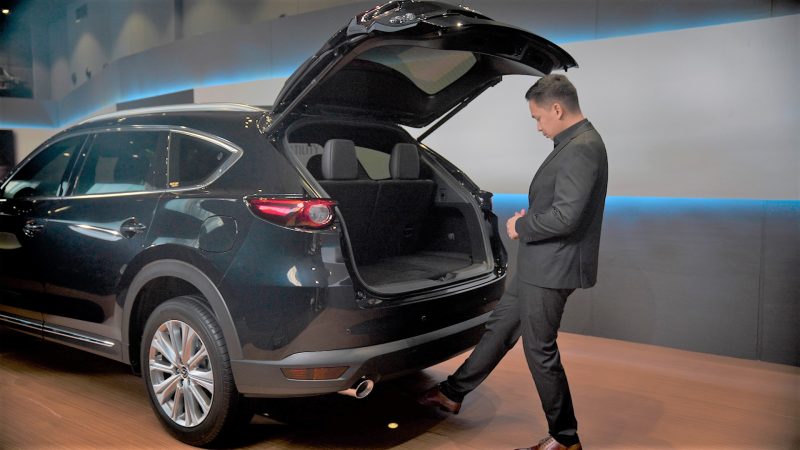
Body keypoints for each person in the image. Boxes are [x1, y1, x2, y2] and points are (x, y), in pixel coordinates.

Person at [418, 74, 608, 450]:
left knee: (540, 350)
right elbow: (560, 208)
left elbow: (567, 217)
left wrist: (522, 225)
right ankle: (452, 392)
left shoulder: (582, 147)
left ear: (557, 108)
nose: (537, 126)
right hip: (541, 263)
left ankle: (564, 437)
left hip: (553, 268)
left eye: (538, 117)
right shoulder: (573, 143)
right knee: (501, 327)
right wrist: (534, 221)